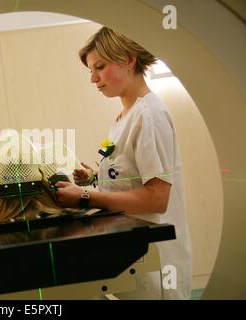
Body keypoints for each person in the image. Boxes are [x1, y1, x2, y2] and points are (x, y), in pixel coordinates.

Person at [55, 27, 193, 299]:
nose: (93, 78)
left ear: (129, 60)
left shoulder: (149, 115)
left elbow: (157, 198)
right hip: (131, 247)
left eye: (100, 67)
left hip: (156, 258)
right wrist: (93, 176)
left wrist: (85, 196)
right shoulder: (122, 119)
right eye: (90, 71)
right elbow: (127, 173)